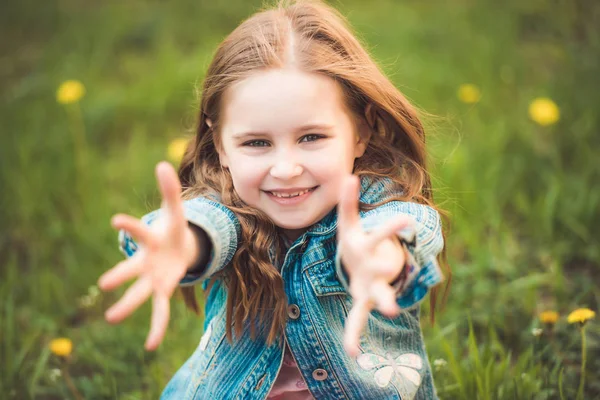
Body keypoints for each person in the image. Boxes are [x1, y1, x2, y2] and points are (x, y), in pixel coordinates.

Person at [98, 1, 449, 398]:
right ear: (221, 146)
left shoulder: (388, 206)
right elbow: (207, 223)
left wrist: (378, 259)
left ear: (361, 132)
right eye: (257, 143)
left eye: (311, 137)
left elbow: (398, 235)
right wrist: (182, 243)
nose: (285, 168)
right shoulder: (227, 206)